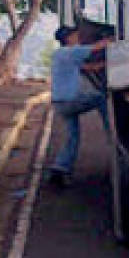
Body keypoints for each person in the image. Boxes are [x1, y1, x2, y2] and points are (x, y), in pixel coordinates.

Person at [48, 26, 110, 186]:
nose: (78, 37)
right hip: (71, 100)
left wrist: (104, 64)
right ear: (68, 38)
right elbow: (99, 46)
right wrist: (113, 39)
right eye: (75, 35)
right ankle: (113, 135)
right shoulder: (72, 52)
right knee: (101, 98)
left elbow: (90, 68)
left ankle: (60, 168)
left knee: (72, 136)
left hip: (59, 103)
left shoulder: (59, 55)